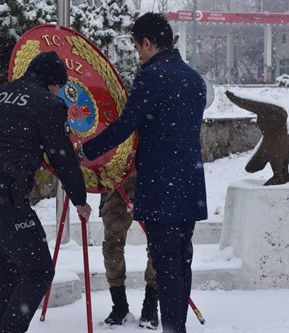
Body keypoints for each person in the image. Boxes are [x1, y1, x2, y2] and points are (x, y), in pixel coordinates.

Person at [79, 13, 207, 333]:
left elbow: (125, 125)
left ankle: (173, 328)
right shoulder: (194, 79)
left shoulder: (152, 77)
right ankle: (176, 326)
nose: (138, 54)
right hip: (189, 184)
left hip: (162, 187)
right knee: (181, 262)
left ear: (148, 43)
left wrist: (87, 149)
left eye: (138, 47)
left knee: (165, 264)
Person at [0, 51, 92, 333]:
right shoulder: (47, 103)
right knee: (40, 270)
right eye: (59, 87)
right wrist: (80, 199)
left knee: (13, 260)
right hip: (0, 194)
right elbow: (62, 157)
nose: (58, 93)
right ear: (52, 83)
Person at [100, 173, 159, 330]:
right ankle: (119, 306)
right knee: (112, 248)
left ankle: (150, 306)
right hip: (117, 179)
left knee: (158, 246)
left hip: (153, 176)